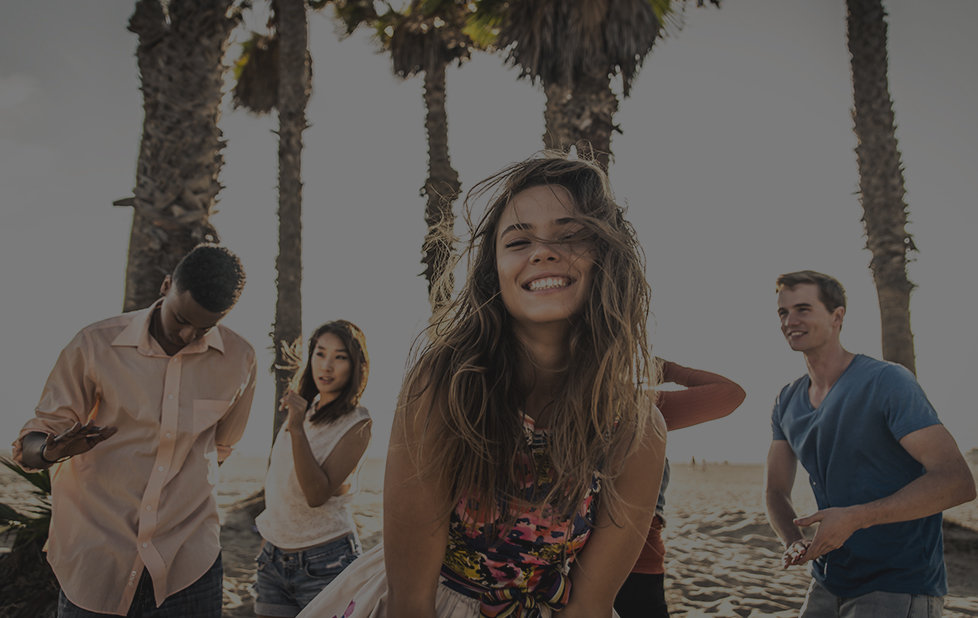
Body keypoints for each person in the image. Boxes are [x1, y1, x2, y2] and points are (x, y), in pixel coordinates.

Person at [297, 152, 667, 618]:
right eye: (518, 240)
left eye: (570, 234)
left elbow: (590, 607)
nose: (542, 251)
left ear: (606, 256)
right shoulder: (444, 386)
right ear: (495, 271)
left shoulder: (637, 429)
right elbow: (411, 603)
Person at [12, 244, 256, 618]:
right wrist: (51, 451)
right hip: (96, 559)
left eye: (204, 327)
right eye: (181, 319)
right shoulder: (95, 345)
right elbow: (37, 436)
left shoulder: (241, 359)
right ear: (166, 285)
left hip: (189, 564)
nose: (189, 334)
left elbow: (221, 446)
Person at [764, 270, 975, 617]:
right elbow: (774, 491)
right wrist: (794, 541)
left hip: (898, 585)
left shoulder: (887, 381)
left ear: (837, 316)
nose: (790, 320)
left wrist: (856, 518)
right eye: (783, 312)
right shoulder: (786, 399)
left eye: (803, 309)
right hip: (827, 582)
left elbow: (957, 482)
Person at [254, 320, 373, 617]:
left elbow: (316, 493)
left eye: (340, 357)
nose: (327, 366)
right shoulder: (304, 411)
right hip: (273, 559)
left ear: (355, 365)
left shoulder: (358, 423)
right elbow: (280, 484)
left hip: (326, 560)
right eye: (320, 354)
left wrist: (295, 427)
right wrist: (269, 542)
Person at [615, 358, 745, 618]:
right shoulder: (631, 404)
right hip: (634, 555)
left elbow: (731, 394)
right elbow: (729, 394)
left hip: (608, 556)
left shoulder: (633, 404)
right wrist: (668, 370)